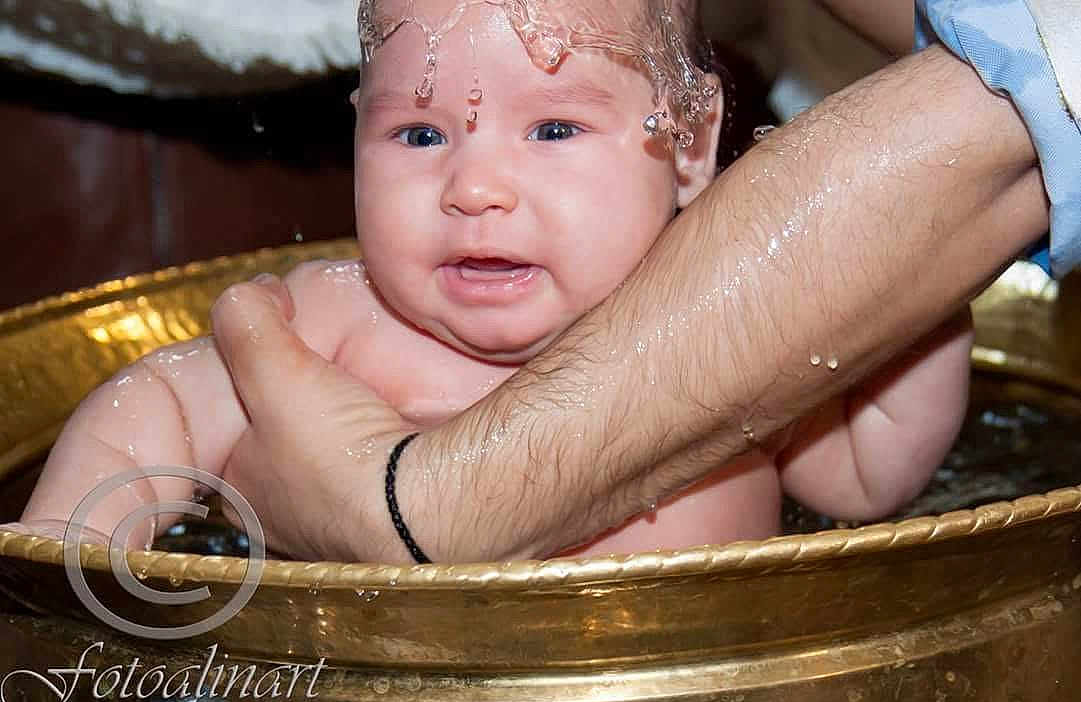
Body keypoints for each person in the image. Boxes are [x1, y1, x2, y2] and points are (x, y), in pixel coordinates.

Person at [8, 0, 1072, 563]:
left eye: (554, 127)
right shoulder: (333, 319)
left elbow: (865, 481)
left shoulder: (727, 316)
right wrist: (64, 568)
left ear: (691, 144)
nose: (474, 186)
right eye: (419, 132)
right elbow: (147, 401)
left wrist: (922, 288)